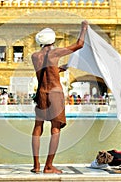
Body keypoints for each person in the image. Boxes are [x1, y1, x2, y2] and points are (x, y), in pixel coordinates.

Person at [31, 20, 88, 174]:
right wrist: (83, 28)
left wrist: (58, 69)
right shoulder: (54, 53)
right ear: (53, 40)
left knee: (38, 127)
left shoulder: (35, 56)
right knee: (55, 129)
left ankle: (36, 166)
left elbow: (45, 72)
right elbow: (79, 45)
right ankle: (48, 166)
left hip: (41, 93)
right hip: (55, 93)